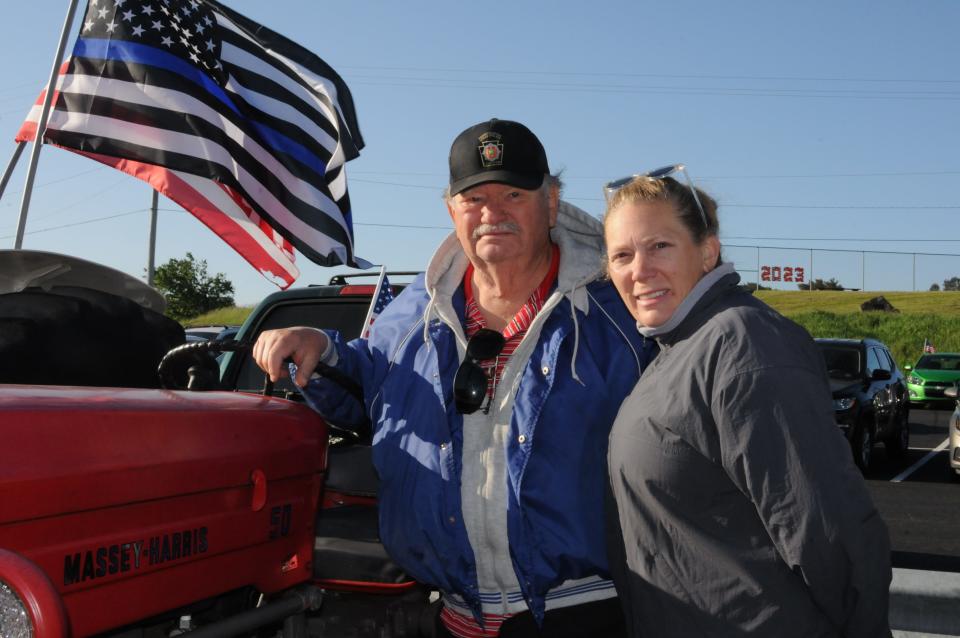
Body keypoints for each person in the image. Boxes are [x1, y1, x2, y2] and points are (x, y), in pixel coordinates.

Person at [254, 119, 655, 637]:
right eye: (474, 198)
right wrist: (322, 351)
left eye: (514, 193)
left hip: (591, 611)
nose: (493, 214)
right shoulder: (410, 318)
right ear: (451, 209)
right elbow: (369, 401)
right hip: (455, 616)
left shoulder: (619, 311)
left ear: (551, 202)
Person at [600, 166, 893, 637]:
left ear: (707, 251)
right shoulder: (677, 348)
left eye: (660, 246)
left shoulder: (742, 343)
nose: (639, 270)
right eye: (621, 255)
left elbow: (829, 531)